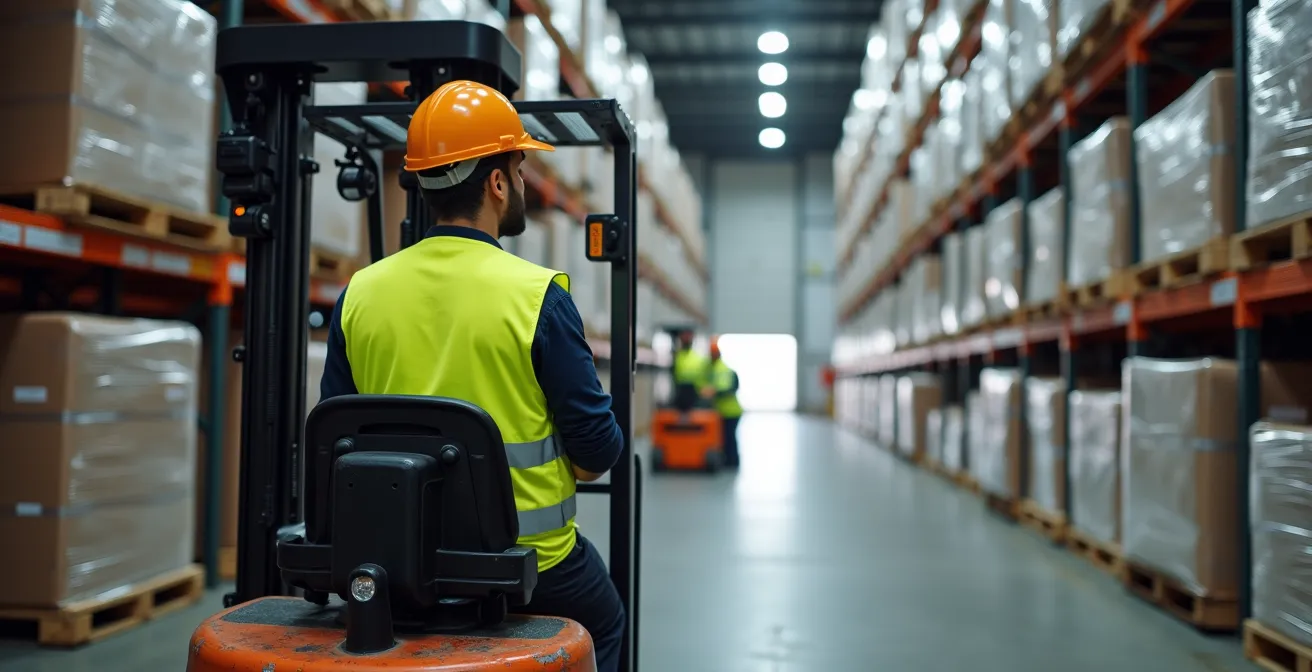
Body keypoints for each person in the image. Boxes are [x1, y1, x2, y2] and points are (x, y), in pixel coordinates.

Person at [317, 80, 626, 671]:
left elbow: (337, 438)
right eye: (520, 165)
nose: (524, 182)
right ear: (497, 180)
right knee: (606, 621)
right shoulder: (537, 297)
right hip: (525, 564)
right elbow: (595, 453)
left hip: (393, 558)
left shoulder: (361, 292)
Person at [707, 336, 743, 467]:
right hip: (722, 411)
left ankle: (732, 462)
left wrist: (714, 392)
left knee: (729, 438)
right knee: (724, 438)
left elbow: (730, 389)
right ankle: (728, 461)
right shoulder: (713, 369)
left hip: (731, 411)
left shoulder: (723, 369)